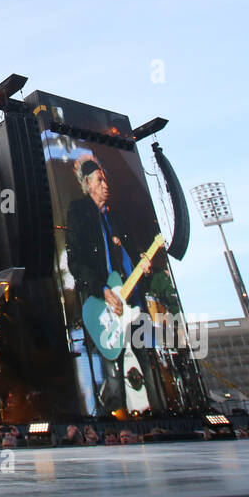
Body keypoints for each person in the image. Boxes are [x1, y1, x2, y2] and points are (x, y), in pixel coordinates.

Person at [64, 156, 167, 414]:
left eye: (106, 180)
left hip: (133, 299)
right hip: (104, 301)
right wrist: (103, 289)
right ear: (87, 184)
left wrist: (144, 265)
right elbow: (76, 262)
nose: (105, 185)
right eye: (100, 180)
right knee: (113, 367)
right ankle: (116, 420)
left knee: (147, 358)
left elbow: (132, 255)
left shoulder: (117, 218)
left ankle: (157, 413)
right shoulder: (78, 212)